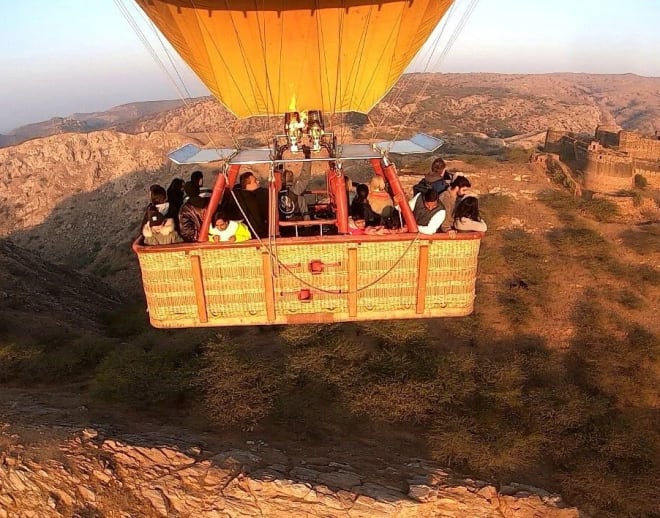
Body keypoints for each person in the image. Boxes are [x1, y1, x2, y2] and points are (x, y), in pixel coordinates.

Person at [232, 171, 269, 238]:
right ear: (247, 184)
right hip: (246, 232)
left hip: (262, 229)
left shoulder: (263, 193)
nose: (258, 182)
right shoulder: (238, 196)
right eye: (255, 181)